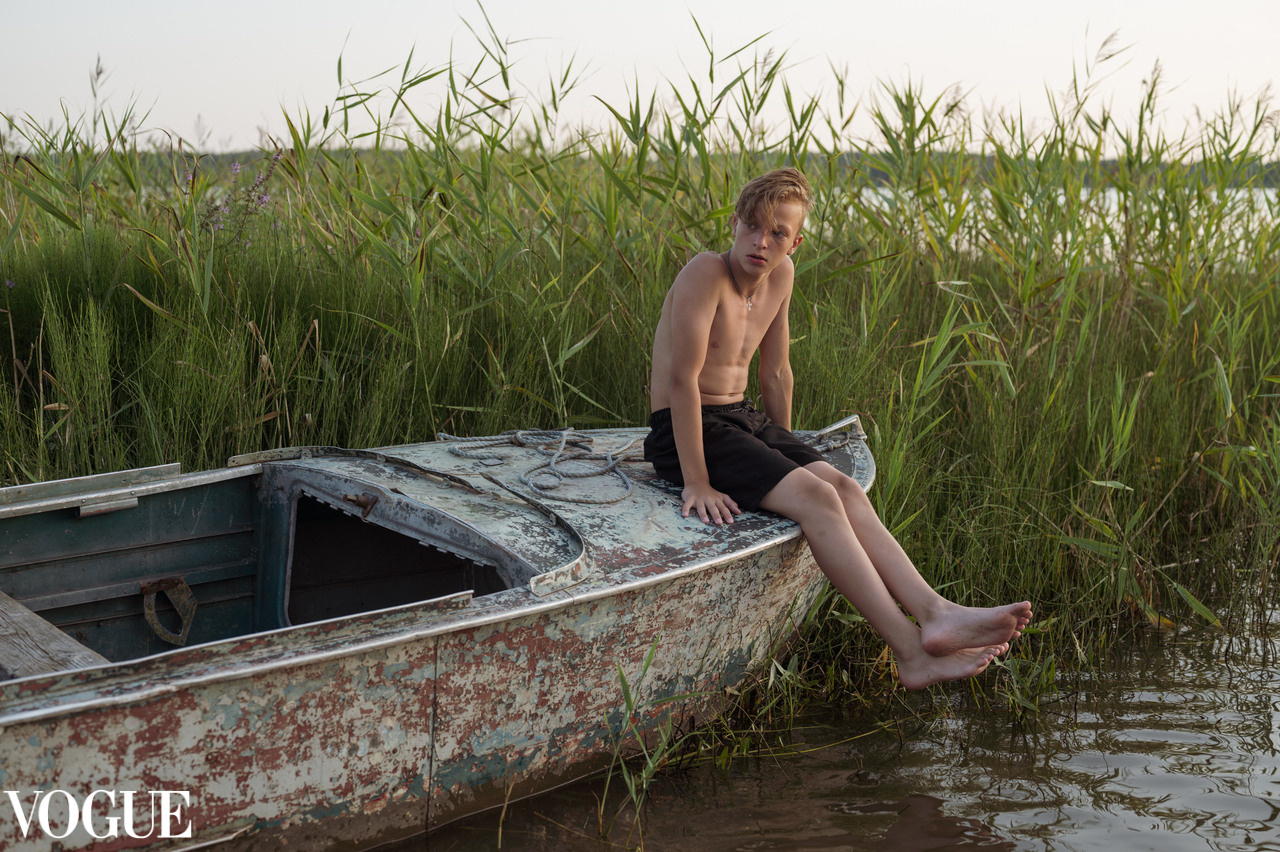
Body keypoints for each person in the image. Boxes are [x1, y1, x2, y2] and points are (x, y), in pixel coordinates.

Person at [644, 168, 1032, 689]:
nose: (763, 242)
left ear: (795, 240)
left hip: (739, 418)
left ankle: (936, 612)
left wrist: (784, 458)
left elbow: (776, 372)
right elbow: (681, 381)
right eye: (753, 226)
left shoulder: (781, 276)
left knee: (842, 487)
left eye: (778, 233)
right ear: (734, 224)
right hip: (683, 427)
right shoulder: (705, 273)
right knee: (817, 498)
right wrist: (697, 480)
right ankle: (910, 652)